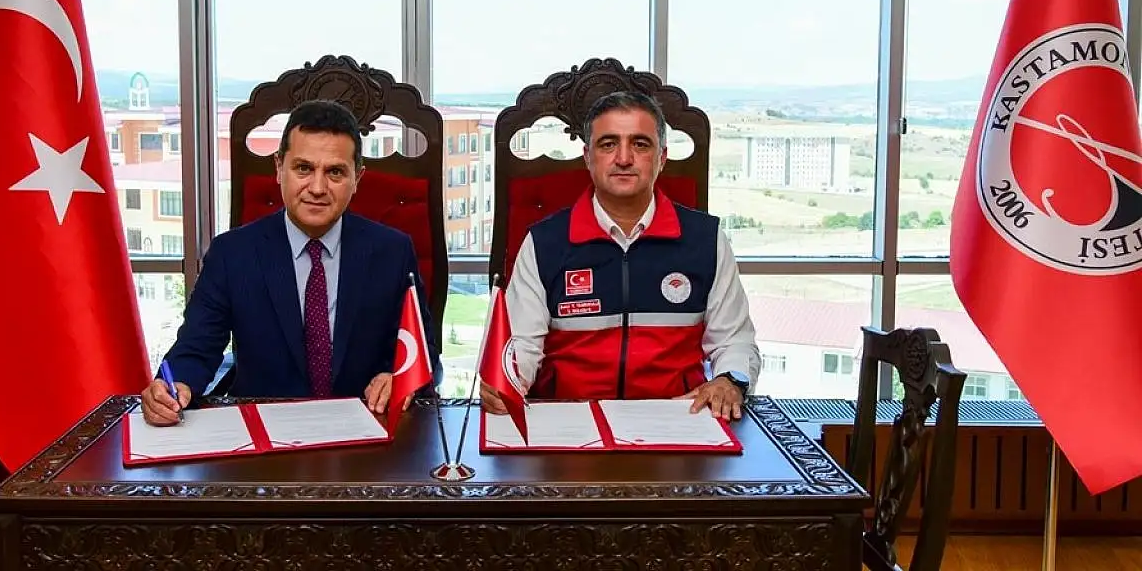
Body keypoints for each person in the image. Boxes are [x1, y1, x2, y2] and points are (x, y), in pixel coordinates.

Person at [141, 100, 439, 426]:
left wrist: (398, 377)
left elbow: (422, 352)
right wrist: (174, 386)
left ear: (357, 178)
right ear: (279, 168)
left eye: (335, 172)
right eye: (303, 168)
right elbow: (195, 349)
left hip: (366, 429)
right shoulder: (232, 253)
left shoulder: (392, 252)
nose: (318, 188)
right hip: (263, 434)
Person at [481, 91, 760, 421]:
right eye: (608, 144)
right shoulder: (543, 244)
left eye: (640, 144)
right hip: (568, 421)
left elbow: (735, 341)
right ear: (588, 157)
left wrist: (730, 380)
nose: (624, 158)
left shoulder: (706, 240)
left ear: (662, 158)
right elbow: (520, 347)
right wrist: (508, 380)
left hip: (678, 419)